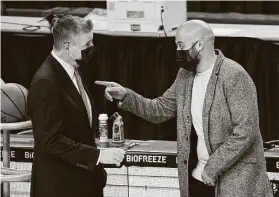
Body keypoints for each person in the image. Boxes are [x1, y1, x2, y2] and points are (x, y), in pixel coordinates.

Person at [95, 20, 274, 197]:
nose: (178, 51)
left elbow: (245, 131)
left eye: (181, 45)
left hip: (236, 183)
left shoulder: (234, 75)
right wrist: (126, 96)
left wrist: (213, 168)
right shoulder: (185, 75)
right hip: (198, 179)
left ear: (200, 44)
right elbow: (160, 109)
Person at [27, 15, 125, 197]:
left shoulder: (74, 69)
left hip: (83, 182)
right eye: (86, 45)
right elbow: (50, 140)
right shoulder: (45, 82)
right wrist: (97, 156)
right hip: (60, 187)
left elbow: (79, 122)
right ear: (67, 47)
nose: (91, 49)